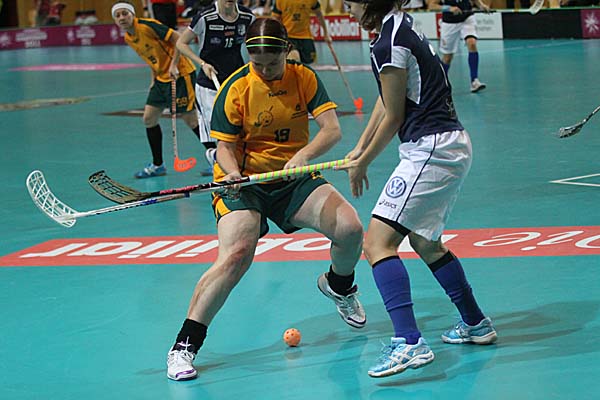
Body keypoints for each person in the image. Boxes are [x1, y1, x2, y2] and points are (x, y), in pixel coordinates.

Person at [166, 17, 366, 381]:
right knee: (236, 255)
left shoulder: (304, 78)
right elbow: (224, 148)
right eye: (257, 63)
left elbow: (332, 130)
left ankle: (339, 286)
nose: (264, 70)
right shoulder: (236, 87)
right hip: (244, 183)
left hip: (292, 176)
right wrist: (230, 174)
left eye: (272, 63)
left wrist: (304, 156)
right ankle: (184, 346)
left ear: (287, 51)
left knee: (350, 229)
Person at [342, 0, 497, 378]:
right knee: (426, 242)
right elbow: (387, 99)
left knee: (377, 244)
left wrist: (364, 161)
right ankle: (475, 323)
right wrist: (359, 147)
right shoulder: (398, 26)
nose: (347, 10)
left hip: (432, 148)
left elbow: (394, 115)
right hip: (445, 144)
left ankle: (409, 343)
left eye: (350, 3)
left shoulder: (389, 41)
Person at [111, 1, 202, 178]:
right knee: (149, 118)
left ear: (132, 14)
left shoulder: (147, 26)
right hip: (161, 79)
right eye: (118, 15)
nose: (122, 18)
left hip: (180, 74)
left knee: (190, 119)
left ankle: (217, 159)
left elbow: (178, 38)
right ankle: (158, 165)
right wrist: (153, 79)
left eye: (125, 13)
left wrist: (174, 64)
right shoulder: (128, 37)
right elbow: (152, 58)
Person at [176, 0, 255, 173]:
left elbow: (254, 42)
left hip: (237, 82)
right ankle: (217, 159)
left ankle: (226, 161)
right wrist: (202, 64)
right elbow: (181, 43)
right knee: (216, 129)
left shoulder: (247, 16)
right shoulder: (205, 17)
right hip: (209, 83)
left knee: (241, 125)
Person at [426, 0, 490, 93]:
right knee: (447, 57)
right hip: (449, 23)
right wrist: (448, 8)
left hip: (467, 18)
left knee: (472, 43)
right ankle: (439, 83)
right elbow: (431, 6)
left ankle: (474, 81)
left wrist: (481, 5)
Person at [271, 0, 332, 64]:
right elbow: (275, 19)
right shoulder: (280, 1)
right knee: (294, 59)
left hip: (306, 37)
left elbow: (319, 14)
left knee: (311, 63)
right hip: (289, 36)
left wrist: (326, 33)